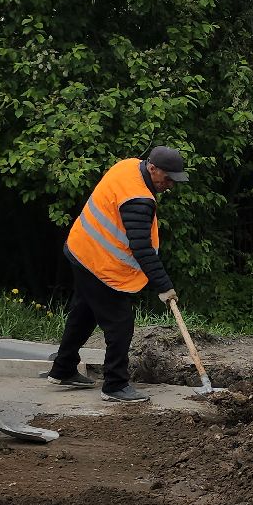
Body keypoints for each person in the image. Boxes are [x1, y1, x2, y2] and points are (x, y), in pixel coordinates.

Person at [44, 145, 187, 404]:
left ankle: (63, 368)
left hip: (81, 249)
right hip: (99, 263)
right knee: (120, 323)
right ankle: (115, 385)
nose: (170, 185)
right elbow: (142, 248)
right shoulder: (138, 199)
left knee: (84, 312)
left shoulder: (129, 166)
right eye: (167, 179)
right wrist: (164, 287)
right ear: (152, 168)